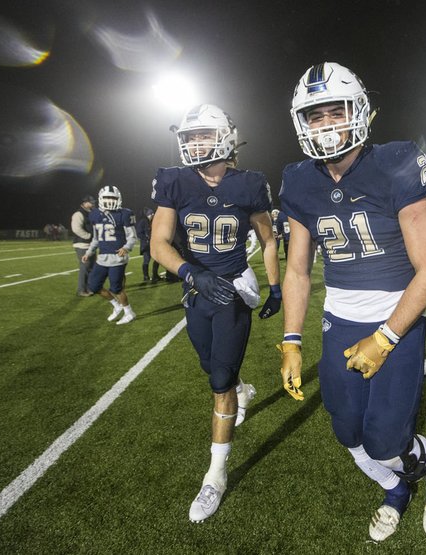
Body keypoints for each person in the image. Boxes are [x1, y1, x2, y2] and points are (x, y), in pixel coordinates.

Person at [278, 62, 426, 542]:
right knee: (346, 433)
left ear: (359, 112)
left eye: (337, 112)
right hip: (339, 321)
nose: (328, 124)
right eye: (316, 116)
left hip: (395, 319)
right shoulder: (299, 180)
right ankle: (397, 487)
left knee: (384, 440)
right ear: (302, 123)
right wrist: (291, 340)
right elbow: (296, 270)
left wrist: (385, 337)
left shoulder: (396, 162)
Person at [149, 103, 281, 523]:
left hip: (233, 289)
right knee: (211, 368)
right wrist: (190, 272)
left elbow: (269, 238)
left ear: (225, 136)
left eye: (203, 134)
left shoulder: (249, 184)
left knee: (218, 382)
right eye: (189, 137)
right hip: (196, 290)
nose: (194, 142)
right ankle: (241, 389)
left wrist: (275, 286)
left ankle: (215, 474)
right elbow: (158, 244)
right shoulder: (174, 181)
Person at [83, 186, 137, 325]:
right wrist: (89, 252)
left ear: (118, 199)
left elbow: (132, 237)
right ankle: (116, 306)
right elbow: (96, 238)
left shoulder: (124, 214)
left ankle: (129, 312)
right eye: (107, 198)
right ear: (101, 199)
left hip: (118, 258)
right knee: (94, 286)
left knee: (117, 288)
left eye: (112, 198)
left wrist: (126, 247)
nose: (109, 201)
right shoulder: (95, 214)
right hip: (102, 258)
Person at [71, 195, 96, 296]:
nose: (93, 203)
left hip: (90, 244)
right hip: (82, 245)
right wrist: (88, 236)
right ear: (85, 203)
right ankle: (81, 290)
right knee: (85, 267)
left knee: (92, 267)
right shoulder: (78, 214)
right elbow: (76, 228)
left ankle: (89, 288)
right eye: (91, 202)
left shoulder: (90, 213)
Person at [135, 207, 160, 282]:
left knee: (157, 259)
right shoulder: (143, 221)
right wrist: (146, 239)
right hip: (146, 245)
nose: (153, 214)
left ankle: (155, 275)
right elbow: (139, 233)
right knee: (146, 260)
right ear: (147, 214)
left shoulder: (153, 221)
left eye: (153, 213)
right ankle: (146, 276)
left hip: (154, 244)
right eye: (151, 213)